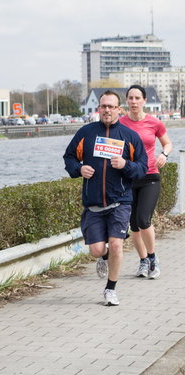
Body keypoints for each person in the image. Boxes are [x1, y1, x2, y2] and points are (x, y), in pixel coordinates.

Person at [63, 90, 148, 306]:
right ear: (98, 109)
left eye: (111, 106)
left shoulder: (129, 137)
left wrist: (125, 165)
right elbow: (69, 157)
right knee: (97, 249)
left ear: (119, 109)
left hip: (120, 201)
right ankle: (103, 257)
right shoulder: (86, 133)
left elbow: (142, 167)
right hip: (93, 205)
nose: (107, 110)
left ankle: (110, 289)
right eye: (103, 106)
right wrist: (79, 169)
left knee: (116, 245)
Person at [120, 84, 173, 279]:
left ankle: (152, 259)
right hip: (128, 178)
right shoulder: (121, 124)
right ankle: (143, 261)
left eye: (137, 98)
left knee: (143, 219)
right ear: (126, 101)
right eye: (130, 98)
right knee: (133, 224)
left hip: (150, 176)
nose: (134, 102)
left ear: (144, 100)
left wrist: (164, 154)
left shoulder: (154, 122)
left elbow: (167, 143)